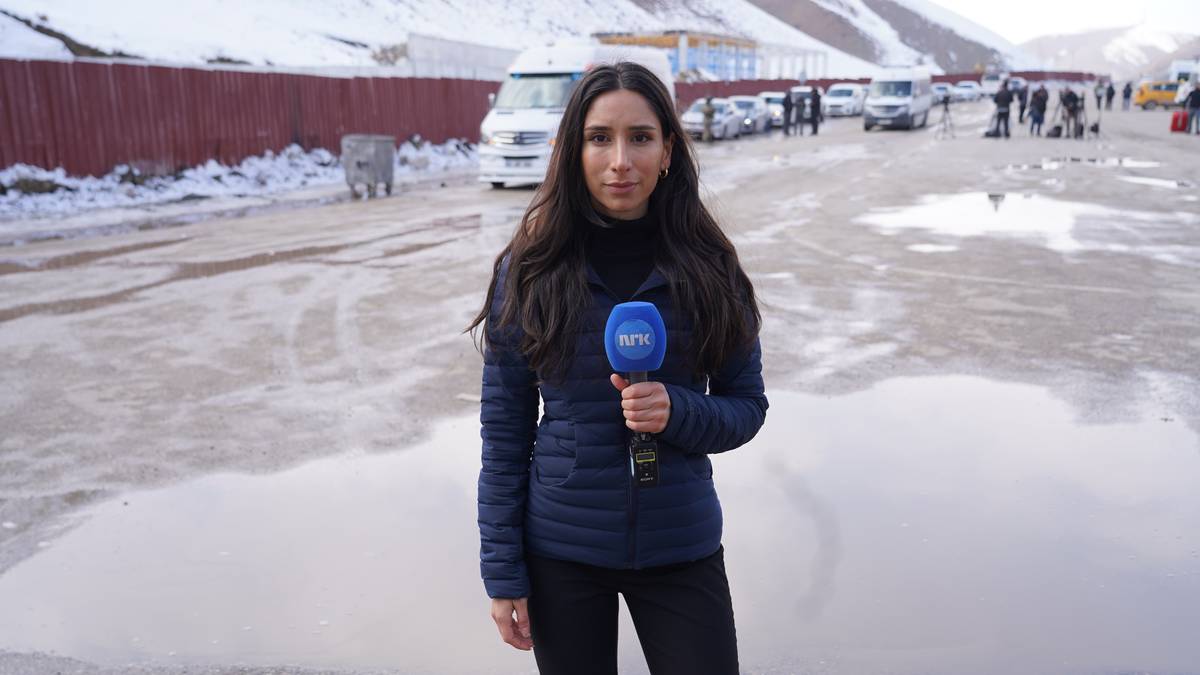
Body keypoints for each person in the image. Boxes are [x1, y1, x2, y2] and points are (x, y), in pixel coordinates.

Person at [470, 61, 767, 675]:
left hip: (680, 547)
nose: (620, 161)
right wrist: (502, 571)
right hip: (562, 553)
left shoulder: (712, 267)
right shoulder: (528, 271)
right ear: (572, 150)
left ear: (668, 152)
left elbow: (746, 407)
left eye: (641, 137)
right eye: (600, 137)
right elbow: (504, 436)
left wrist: (676, 410)